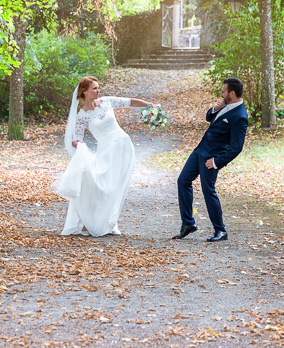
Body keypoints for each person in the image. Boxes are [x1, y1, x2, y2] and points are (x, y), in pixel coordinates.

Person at [53, 76, 160, 237]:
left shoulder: (107, 102)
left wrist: (149, 105)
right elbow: (78, 138)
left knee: (117, 185)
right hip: (105, 151)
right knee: (101, 185)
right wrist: (77, 143)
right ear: (84, 92)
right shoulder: (82, 116)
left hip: (123, 146)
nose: (98, 91)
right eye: (94, 88)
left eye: (98, 87)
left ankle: (111, 222)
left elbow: (130, 102)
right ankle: (92, 221)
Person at [173, 78, 248, 242]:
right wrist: (215, 108)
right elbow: (209, 118)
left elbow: (236, 147)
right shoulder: (225, 105)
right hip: (200, 150)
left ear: (232, 93)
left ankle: (220, 230)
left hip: (212, 157)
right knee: (183, 180)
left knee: (208, 190)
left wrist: (216, 162)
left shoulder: (240, 116)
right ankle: (188, 223)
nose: (221, 94)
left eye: (224, 91)